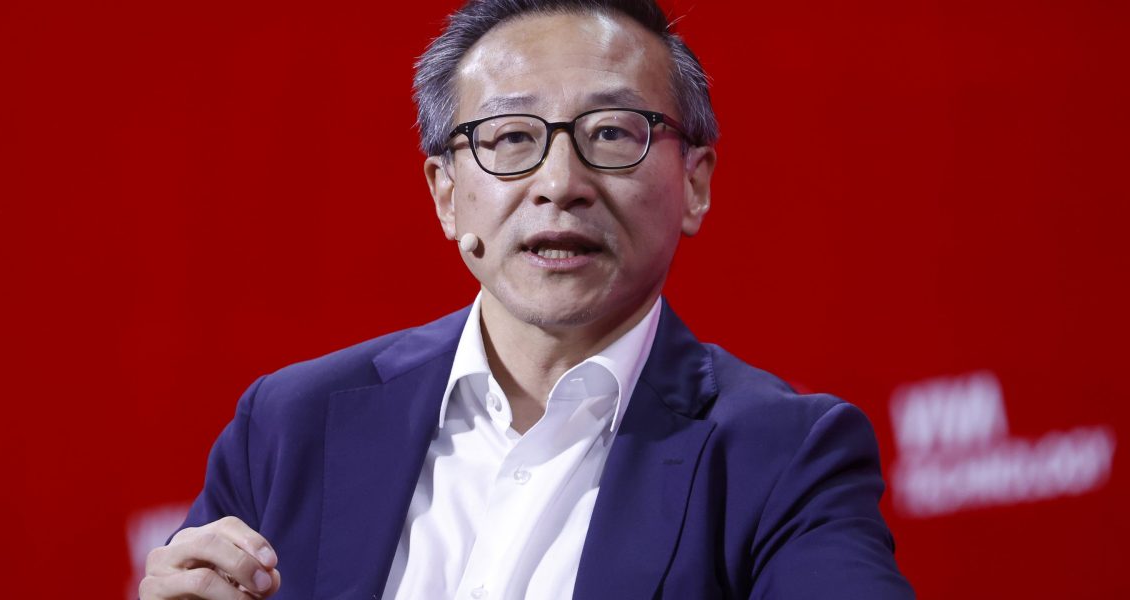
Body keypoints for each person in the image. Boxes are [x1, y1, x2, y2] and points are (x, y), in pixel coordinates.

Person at [139, 0, 914, 598]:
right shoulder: (290, 424)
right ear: (446, 194)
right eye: (511, 137)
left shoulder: (784, 456)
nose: (560, 183)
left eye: (612, 133)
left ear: (695, 183)